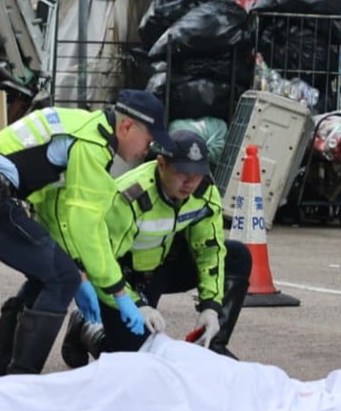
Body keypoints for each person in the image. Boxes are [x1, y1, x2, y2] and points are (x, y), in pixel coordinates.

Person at [0, 89, 172, 378]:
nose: (148, 149)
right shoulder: (93, 144)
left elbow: (56, 212)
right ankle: (20, 381)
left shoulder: (82, 127)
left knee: (53, 275)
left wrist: (78, 270)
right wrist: (118, 290)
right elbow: (84, 226)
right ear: (127, 127)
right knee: (61, 277)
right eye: (149, 140)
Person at [61, 130, 253, 368]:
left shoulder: (204, 192)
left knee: (236, 255)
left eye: (198, 174)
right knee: (132, 361)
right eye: (182, 173)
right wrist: (137, 304)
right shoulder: (129, 196)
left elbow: (209, 250)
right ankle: (86, 327)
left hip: (165, 266)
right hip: (124, 276)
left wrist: (211, 306)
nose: (190, 183)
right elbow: (99, 262)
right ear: (161, 164)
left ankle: (213, 344)